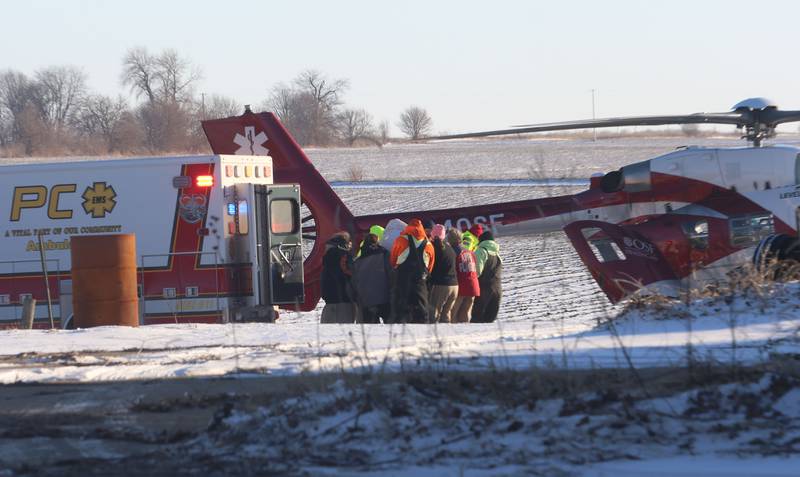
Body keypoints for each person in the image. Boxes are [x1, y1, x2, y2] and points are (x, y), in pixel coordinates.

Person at [389, 218, 435, 324]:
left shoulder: (400, 240)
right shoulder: (429, 244)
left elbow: (393, 259)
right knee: (421, 310)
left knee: (400, 308)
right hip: (420, 281)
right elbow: (430, 266)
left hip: (402, 279)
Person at [352, 232, 391, 323]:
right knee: (390, 328)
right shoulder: (384, 254)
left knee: (371, 330)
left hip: (367, 302)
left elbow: (354, 283)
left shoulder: (357, 262)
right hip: (385, 298)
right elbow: (391, 274)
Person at [320, 231, 357, 323]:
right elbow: (354, 276)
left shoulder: (327, 259)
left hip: (329, 304)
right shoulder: (345, 257)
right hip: (344, 304)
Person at [427, 224, 458, 323]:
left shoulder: (433, 247)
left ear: (433, 234)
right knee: (446, 315)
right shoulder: (450, 248)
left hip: (441, 285)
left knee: (434, 315)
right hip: (454, 286)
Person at [449, 227, 480, 323]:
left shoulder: (453, 251)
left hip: (461, 285)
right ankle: (466, 329)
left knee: (453, 312)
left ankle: (453, 331)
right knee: (466, 311)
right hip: (473, 284)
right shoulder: (470, 252)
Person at [471, 230, 502, 323]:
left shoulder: (481, 251)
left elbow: (477, 271)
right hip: (497, 289)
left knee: (477, 318)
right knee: (490, 319)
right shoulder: (497, 254)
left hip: (484, 289)